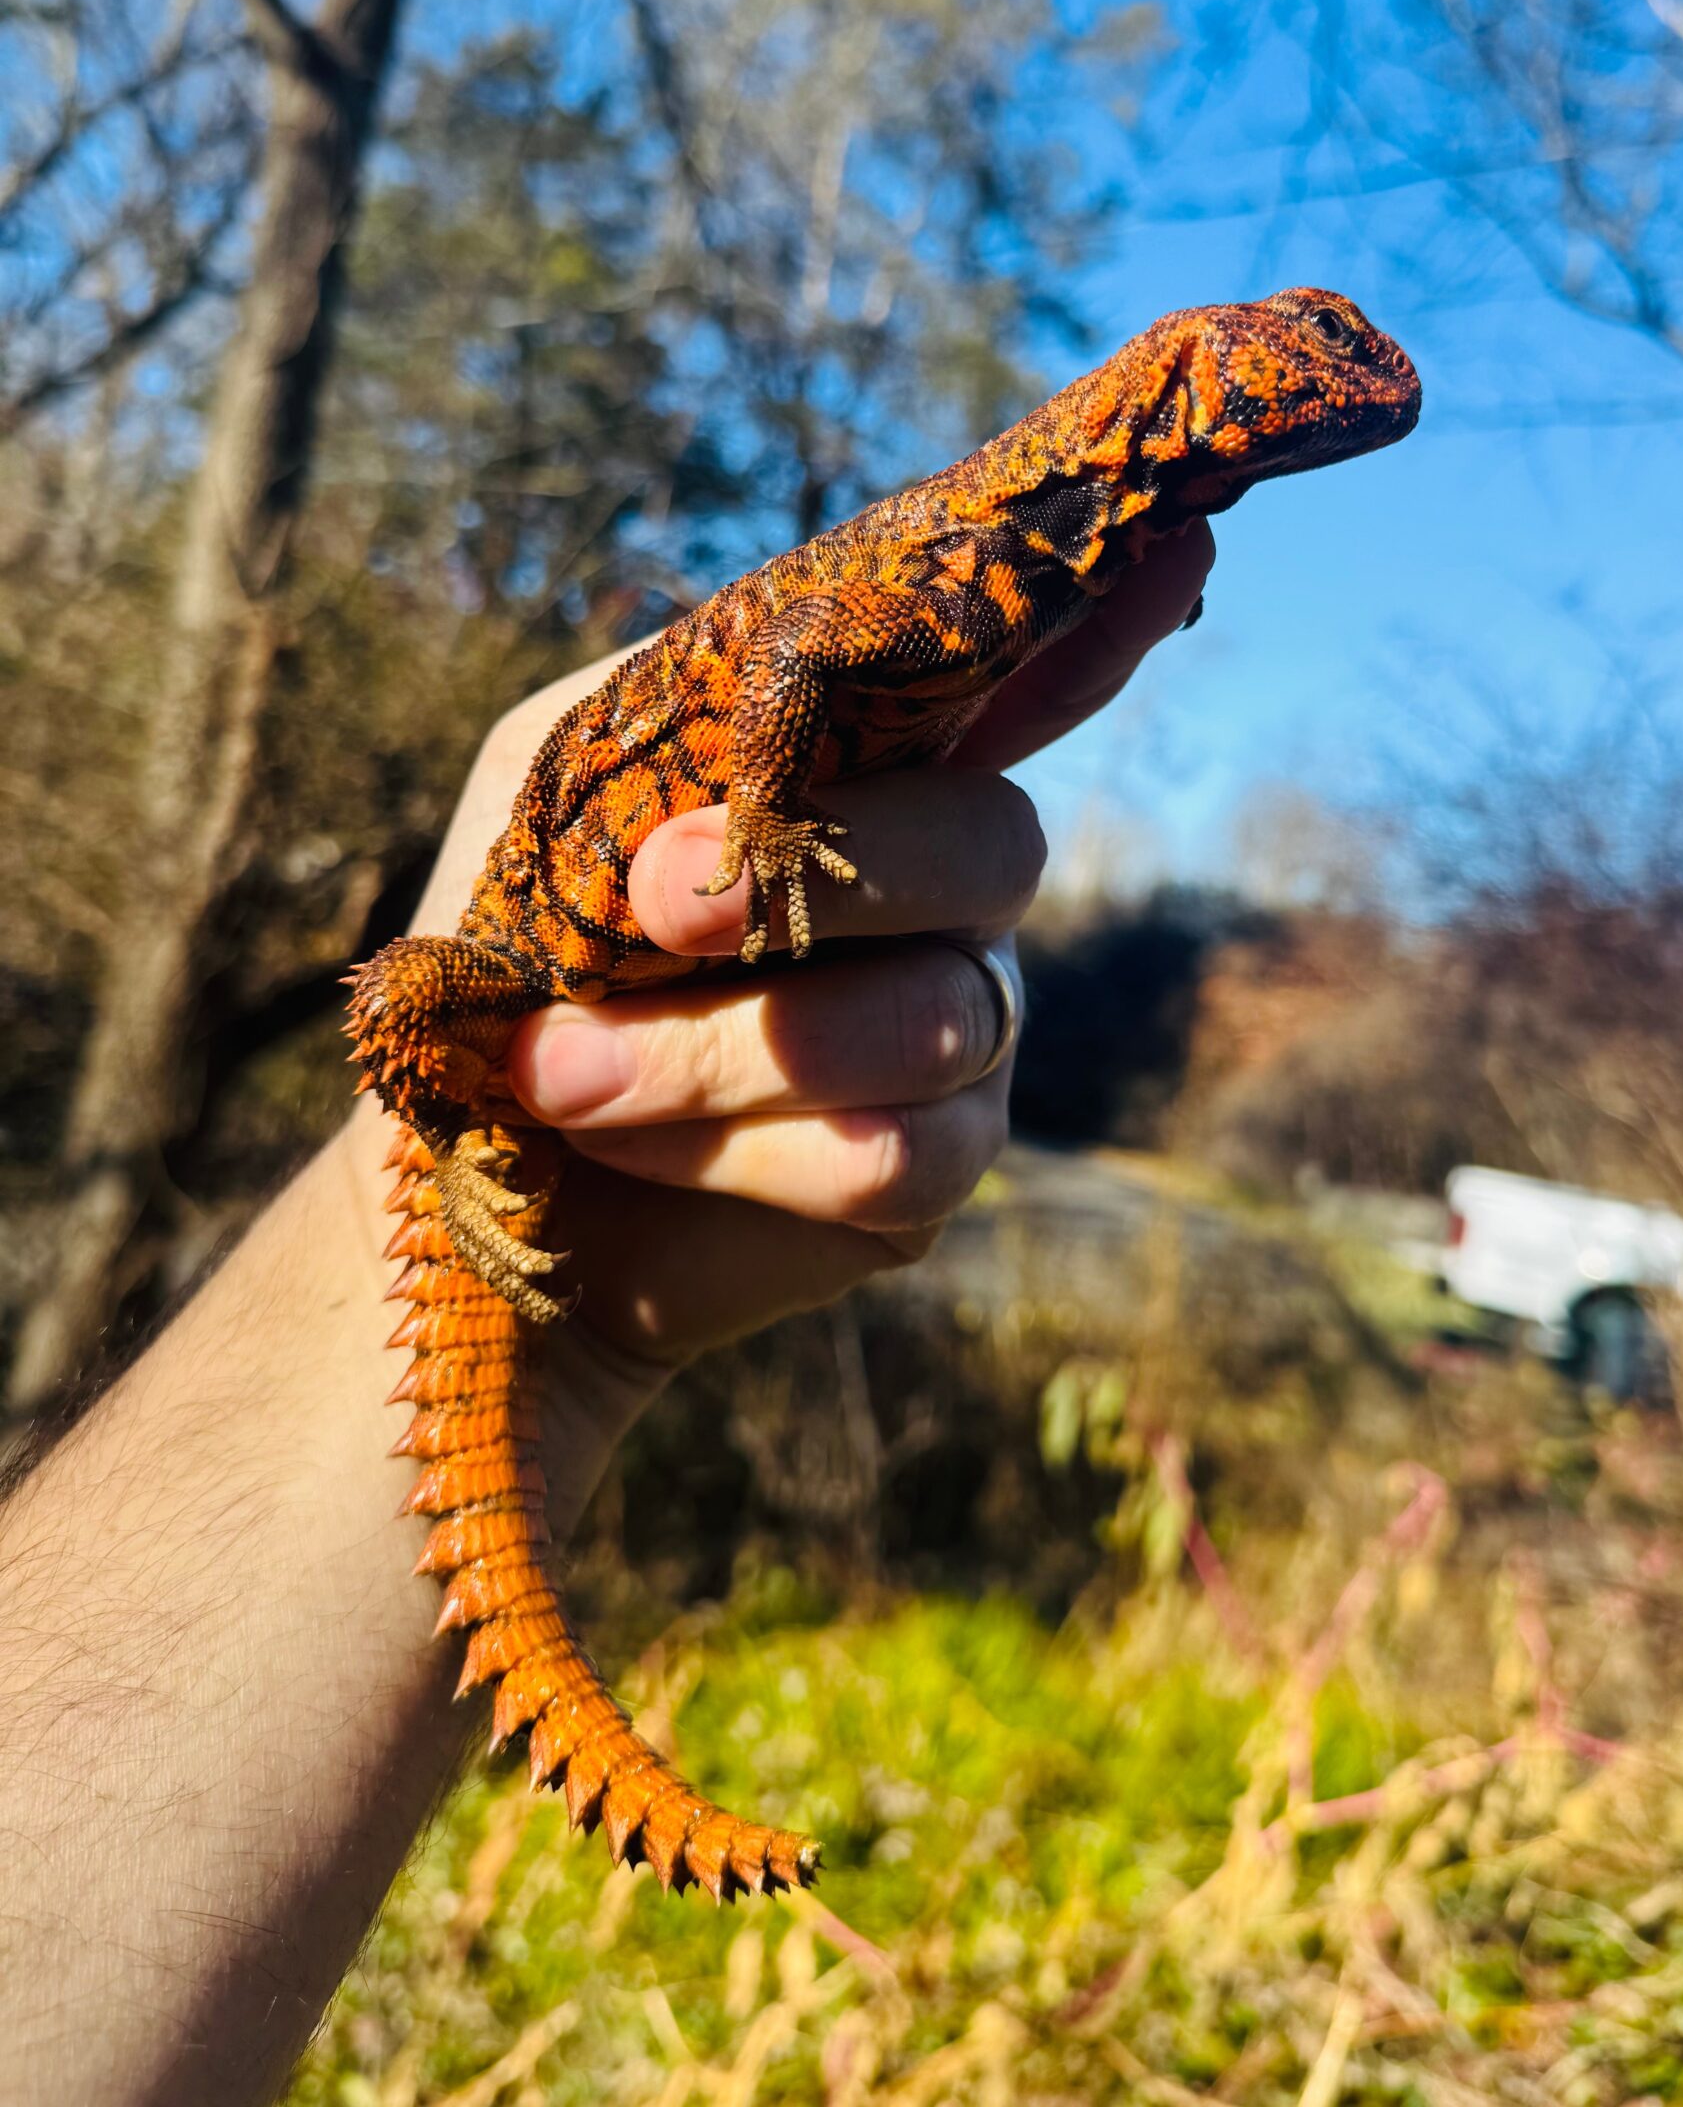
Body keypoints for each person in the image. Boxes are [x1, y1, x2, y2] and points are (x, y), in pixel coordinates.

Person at [0, 524, 1213, 2107]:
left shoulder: (1051, 557)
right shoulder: (1004, 529)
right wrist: (445, 1153)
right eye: (1307, 351)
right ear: (1194, 379)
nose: (1345, 382)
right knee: (406, 994)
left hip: (572, 1135)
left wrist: (586, 1343)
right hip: (497, 1010)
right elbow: (788, 662)